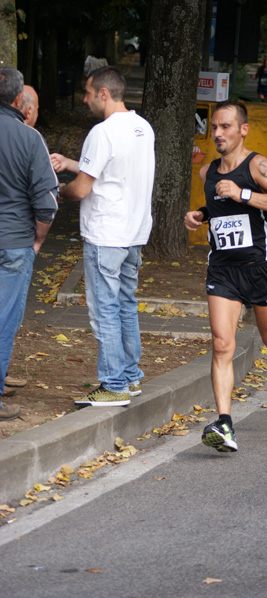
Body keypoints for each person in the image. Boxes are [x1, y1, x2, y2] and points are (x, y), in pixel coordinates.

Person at [184, 99, 267, 453]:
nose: (218, 133)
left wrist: (244, 193)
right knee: (222, 344)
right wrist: (200, 215)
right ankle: (224, 423)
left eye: (226, 127)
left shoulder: (257, 166)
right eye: (215, 128)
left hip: (258, 268)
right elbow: (221, 208)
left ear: (243, 130)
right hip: (222, 269)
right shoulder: (208, 173)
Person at [50, 66, 155, 407]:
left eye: (87, 93)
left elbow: (82, 190)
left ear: (104, 94)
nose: (84, 99)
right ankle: (131, 377)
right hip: (134, 233)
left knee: (104, 310)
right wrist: (71, 161)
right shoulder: (142, 127)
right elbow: (113, 169)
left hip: (105, 233)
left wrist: (60, 190)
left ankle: (112, 385)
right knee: (125, 305)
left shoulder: (102, 132)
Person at [0, 68, 59, 421]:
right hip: (14, 242)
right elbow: (47, 203)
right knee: (4, 320)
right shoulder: (29, 139)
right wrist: (38, 238)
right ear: (19, 100)